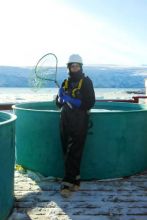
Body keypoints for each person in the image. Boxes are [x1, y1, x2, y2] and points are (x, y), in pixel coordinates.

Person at [56, 54, 95, 197]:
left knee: (75, 149)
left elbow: (90, 102)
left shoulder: (86, 82)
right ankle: (76, 178)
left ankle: (66, 182)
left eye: (77, 66)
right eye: (72, 66)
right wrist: (60, 97)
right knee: (66, 147)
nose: (75, 68)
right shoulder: (65, 82)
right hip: (65, 119)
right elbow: (58, 104)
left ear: (81, 67)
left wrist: (73, 101)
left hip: (80, 119)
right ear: (69, 68)